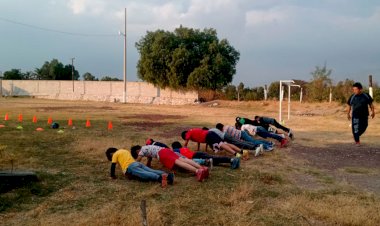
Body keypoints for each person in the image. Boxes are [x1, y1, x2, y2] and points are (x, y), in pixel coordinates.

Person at [131, 144, 208, 182]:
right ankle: (201, 168)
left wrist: (132, 163)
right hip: (166, 150)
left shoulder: (141, 150)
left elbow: (138, 160)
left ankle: (197, 171)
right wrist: (148, 164)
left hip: (162, 154)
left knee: (178, 163)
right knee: (184, 160)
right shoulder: (147, 147)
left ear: (137, 151)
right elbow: (149, 161)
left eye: (137, 154)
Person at [105, 147, 174, 186]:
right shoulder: (124, 150)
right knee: (151, 170)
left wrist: (112, 176)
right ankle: (167, 175)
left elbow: (113, 166)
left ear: (111, 154)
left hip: (131, 167)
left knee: (144, 174)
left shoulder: (115, 154)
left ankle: (160, 179)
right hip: (137, 163)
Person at [171, 141, 240, 169]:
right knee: (214, 160)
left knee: (215, 159)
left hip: (197, 156)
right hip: (198, 154)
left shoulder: (176, 150)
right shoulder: (183, 148)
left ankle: (232, 160)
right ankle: (231, 161)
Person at [181, 128, 245, 157]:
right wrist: (198, 149)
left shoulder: (188, 132)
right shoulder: (193, 131)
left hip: (209, 136)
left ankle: (237, 154)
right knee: (225, 144)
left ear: (185, 135)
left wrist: (184, 150)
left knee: (222, 145)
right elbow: (198, 140)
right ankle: (242, 151)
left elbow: (186, 142)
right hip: (210, 134)